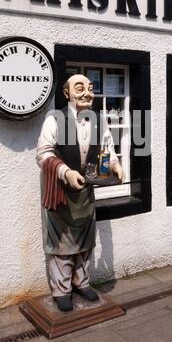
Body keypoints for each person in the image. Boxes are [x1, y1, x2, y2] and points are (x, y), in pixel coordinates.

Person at [36, 74, 125, 312]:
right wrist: (65, 172)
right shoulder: (55, 119)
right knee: (62, 244)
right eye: (79, 88)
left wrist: (114, 165)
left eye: (90, 88)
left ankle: (82, 282)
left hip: (86, 192)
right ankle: (61, 290)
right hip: (60, 194)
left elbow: (107, 148)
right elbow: (43, 153)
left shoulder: (99, 119)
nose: (86, 92)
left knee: (85, 241)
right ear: (67, 94)